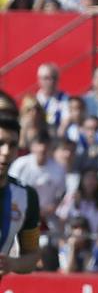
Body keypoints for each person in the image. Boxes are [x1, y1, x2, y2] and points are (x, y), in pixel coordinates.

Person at [0, 114, 41, 280]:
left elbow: (31, 255)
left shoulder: (26, 196)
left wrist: (12, 264)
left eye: (12, 145)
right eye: (0, 143)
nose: (5, 152)